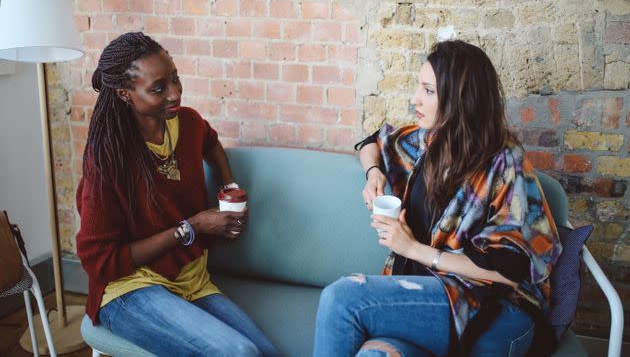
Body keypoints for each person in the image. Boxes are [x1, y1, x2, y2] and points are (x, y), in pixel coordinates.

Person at [313, 40, 563, 357]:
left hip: (496, 312)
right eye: (419, 87)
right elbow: (373, 142)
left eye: (429, 91)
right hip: (432, 302)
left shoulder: (505, 162)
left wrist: (413, 249)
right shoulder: (429, 143)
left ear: (461, 99)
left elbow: (511, 270)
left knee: (343, 299)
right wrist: (374, 173)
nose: (414, 99)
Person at [76, 32, 278, 356]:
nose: (175, 94)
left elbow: (210, 143)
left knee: (268, 353)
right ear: (125, 94)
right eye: (158, 88)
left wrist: (229, 187)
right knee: (239, 353)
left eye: (175, 79)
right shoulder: (108, 158)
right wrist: (193, 227)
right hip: (129, 290)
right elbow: (101, 261)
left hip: (191, 281)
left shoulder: (187, 123)